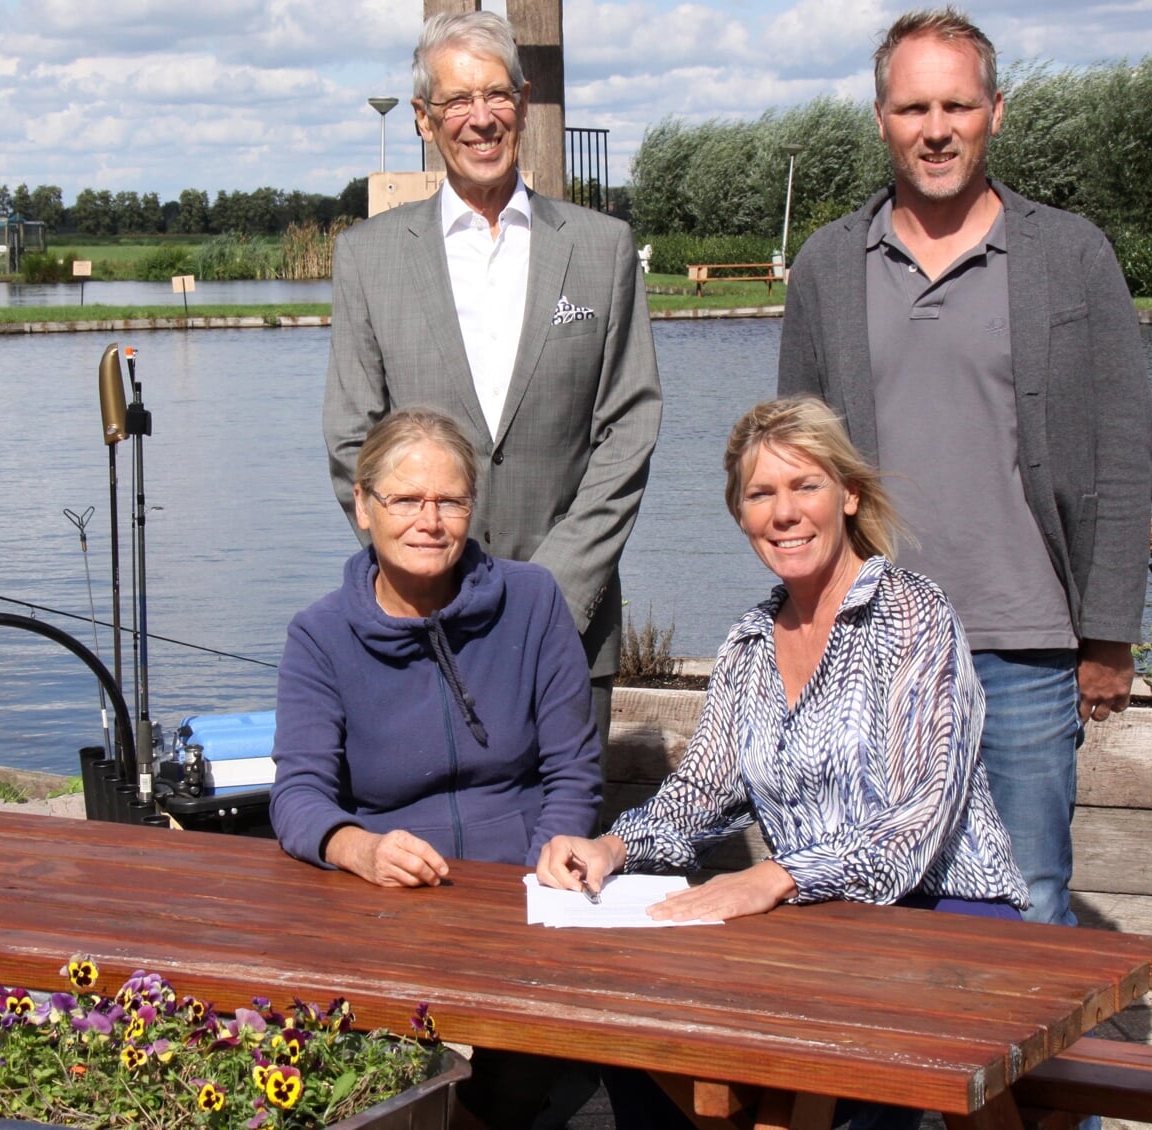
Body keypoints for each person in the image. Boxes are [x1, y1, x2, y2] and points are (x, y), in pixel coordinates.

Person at [535, 396, 1027, 1130]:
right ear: (741, 515)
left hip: (945, 909)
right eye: (761, 494)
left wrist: (775, 876)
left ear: (849, 495)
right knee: (632, 1019)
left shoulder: (915, 615)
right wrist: (609, 846)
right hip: (820, 925)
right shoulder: (748, 646)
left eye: (806, 486)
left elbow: (919, 821)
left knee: (817, 1074)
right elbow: (699, 791)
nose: (784, 512)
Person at [776, 6, 1152, 929]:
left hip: (1024, 644)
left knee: (1027, 905)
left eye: (956, 105)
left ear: (995, 111)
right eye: (912, 108)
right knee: (878, 905)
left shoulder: (1070, 255)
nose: (935, 129)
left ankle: (1032, 1079)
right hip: (874, 647)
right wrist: (803, 621)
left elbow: (1125, 440)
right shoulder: (830, 265)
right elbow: (794, 461)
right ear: (881, 119)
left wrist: (1107, 632)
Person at [323, 11, 661, 752]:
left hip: (570, 627)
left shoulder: (602, 250)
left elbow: (629, 427)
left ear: (524, 102)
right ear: (423, 119)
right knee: (430, 856)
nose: (480, 119)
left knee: (564, 857)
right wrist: (431, 575)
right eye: (455, 102)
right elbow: (355, 437)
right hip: (419, 622)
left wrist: (551, 594)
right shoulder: (368, 257)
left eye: (496, 95)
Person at [271, 409, 600, 1130]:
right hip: (388, 899)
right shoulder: (320, 636)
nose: (430, 520)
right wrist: (358, 849)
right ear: (363, 506)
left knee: (515, 1072)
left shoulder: (533, 600)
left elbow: (573, 766)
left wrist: (550, 850)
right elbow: (297, 794)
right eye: (406, 500)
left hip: (519, 893)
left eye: (450, 501)